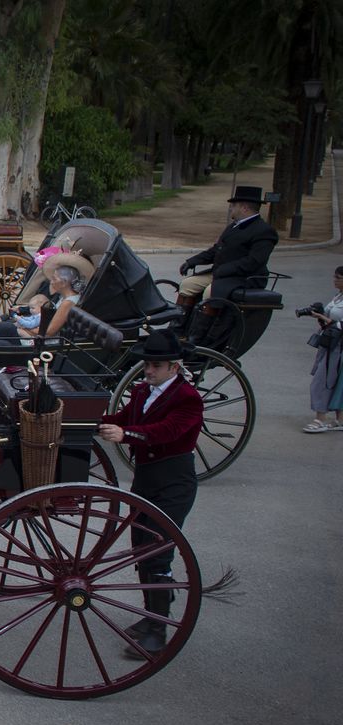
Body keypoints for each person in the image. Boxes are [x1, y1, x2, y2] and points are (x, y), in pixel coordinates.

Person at [97, 332, 204, 660]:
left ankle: (159, 629)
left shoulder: (188, 398)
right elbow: (121, 418)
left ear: (174, 366)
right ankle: (150, 615)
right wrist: (86, 420)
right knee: (141, 547)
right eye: (146, 364)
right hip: (146, 480)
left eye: (156, 366)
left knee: (158, 552)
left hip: (173, 482)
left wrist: (127, 435)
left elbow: (169, 430)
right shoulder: (144, 391)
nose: (148, 370)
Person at [177, 185, 278, 342]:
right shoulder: (233, 227)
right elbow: (216, 250)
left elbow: (254, 261)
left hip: (243, 278)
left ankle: (197, 336)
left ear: (244, 207)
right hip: (221, 274)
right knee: (187, 285)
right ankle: (178, 329)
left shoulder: (264, 231)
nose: (231, 209)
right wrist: (192, 261)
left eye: (233, 206)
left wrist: (225, 270)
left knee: (210, 293)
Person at [304, 265, 343, 432]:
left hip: (338, 346)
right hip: (329, 344)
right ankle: (340, 419)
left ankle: (320, 418)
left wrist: (324, 319)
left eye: (338, 278)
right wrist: (320, 316)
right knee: (334, 380)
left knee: (323, 380)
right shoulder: (338, 297)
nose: (334, 280)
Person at [18, 250, 92, 338]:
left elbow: (49, 332)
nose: (51, 282)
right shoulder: (63, 297)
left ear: (64, 283)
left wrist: (24, 327)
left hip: (45, 341)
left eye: (54, 279)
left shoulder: (68, 302)